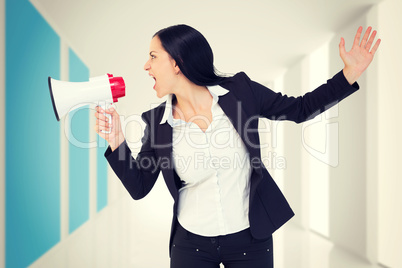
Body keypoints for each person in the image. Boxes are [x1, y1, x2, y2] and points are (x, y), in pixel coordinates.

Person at [94, 24, 380, 268]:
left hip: (250, 238)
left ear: (177, 62)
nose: (146, 66)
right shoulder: (157, 122)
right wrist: (117, 139)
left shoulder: (241, 92)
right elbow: (139, 187)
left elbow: (299, 108)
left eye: (153, 57)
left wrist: (348, 75)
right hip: (190, 243)